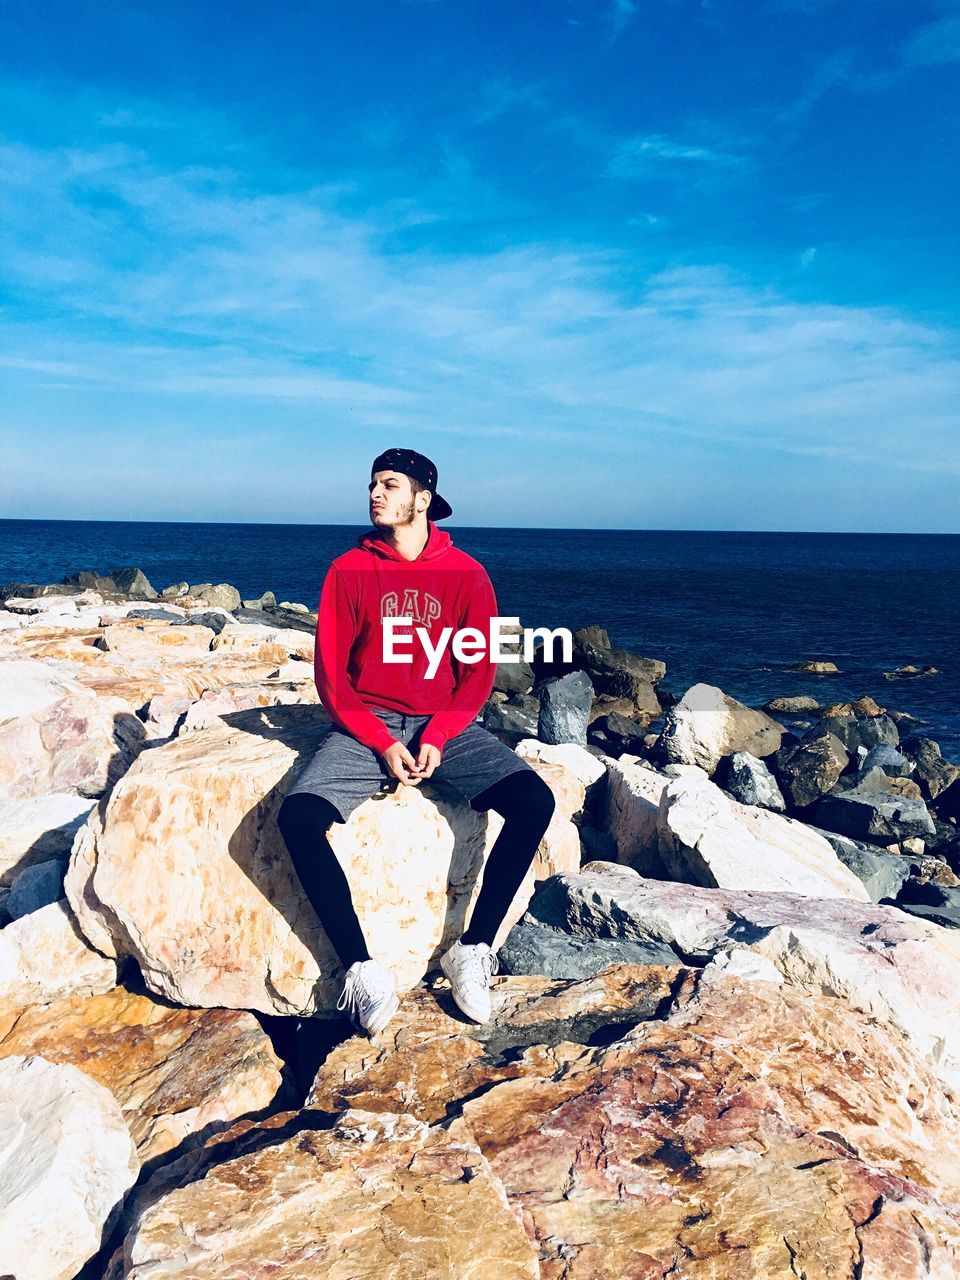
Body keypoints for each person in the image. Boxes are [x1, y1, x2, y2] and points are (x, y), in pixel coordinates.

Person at [277, 447, 556, 1037]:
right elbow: (331, 675)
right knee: (299, 818)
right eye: (372, 484)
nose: (375, 494)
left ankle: (472, 950)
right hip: (365, 722)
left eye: (389, 485)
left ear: (422, 499)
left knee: (536, 802)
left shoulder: (468, 575)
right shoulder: (348, 570)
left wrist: (441, 732)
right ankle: (361, 970)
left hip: (443, 721)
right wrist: (379, 742)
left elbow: (478, 669)